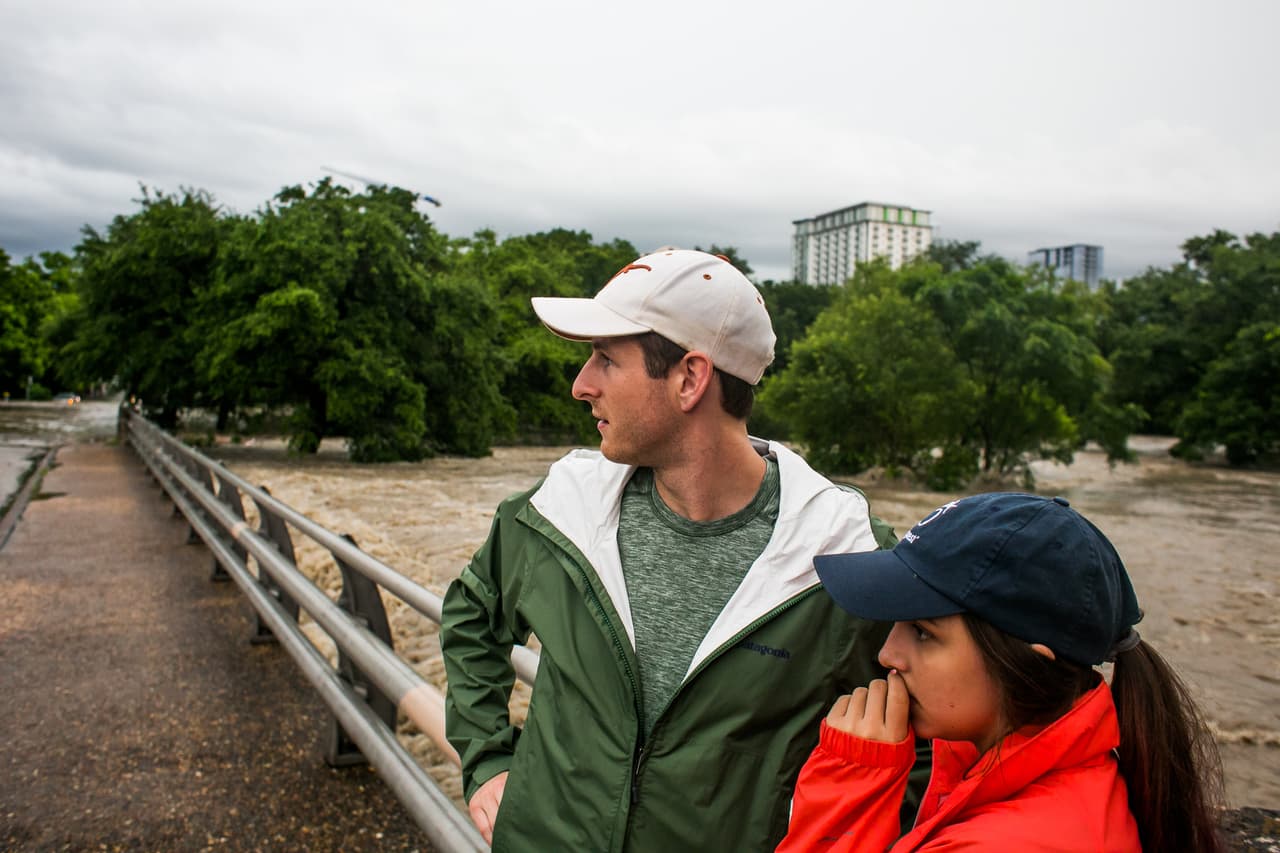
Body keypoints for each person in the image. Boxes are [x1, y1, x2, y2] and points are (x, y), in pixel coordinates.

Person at [441, 248, 924, 851]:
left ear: (690, 379)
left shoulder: (847, 558)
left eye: (606, 359)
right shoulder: (557, 512)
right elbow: (470, 618)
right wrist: (487, 761)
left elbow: (926, 738)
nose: (580, 385)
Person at [777, 492, 1225, 853]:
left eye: (923, 632)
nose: (888, 655)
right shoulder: (1065, 779)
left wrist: (848, 791)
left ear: (1027, 665)